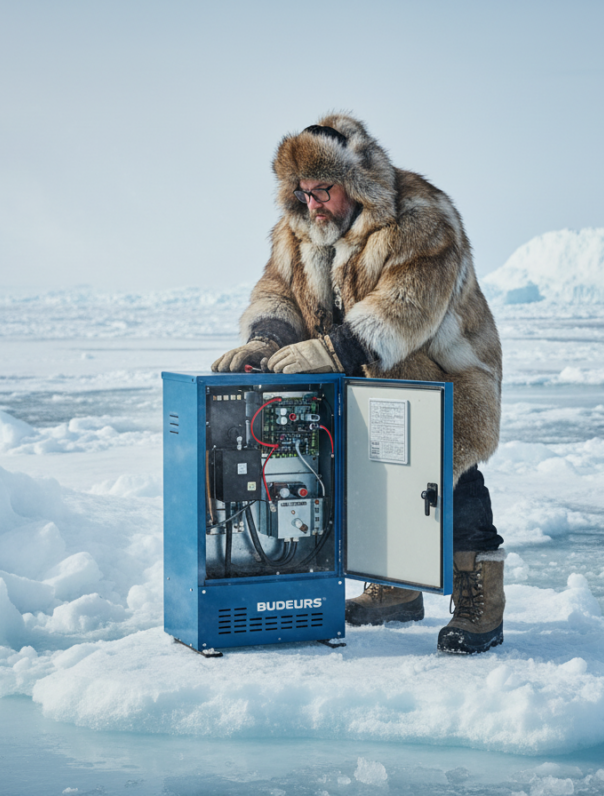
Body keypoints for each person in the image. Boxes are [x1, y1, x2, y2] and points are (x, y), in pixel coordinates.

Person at [212, 114, 505, 654]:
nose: (313, 204)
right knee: (366, 479)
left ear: (356, 181)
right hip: (366, 381)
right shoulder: (299, 232)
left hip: (443, 377)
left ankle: (479, 599)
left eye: (323, 191)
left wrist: (330, 351)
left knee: (446, 478)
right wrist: (264, 342)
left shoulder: (420, 217)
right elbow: (279, 291)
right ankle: (393, 587)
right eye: (302, 194)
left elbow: (407, 307)